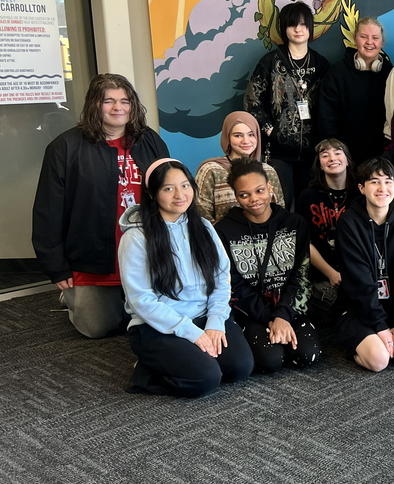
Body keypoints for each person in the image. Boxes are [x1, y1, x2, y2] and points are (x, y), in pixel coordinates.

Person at [33, 73, 169, 339]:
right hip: (92, 255)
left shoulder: (149, 140)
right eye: (109, 101)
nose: (118, 107)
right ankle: (71, 296)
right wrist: (56, 266)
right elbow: (48, 211)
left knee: (155, 319)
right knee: (97, 328)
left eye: (125, 101)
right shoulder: (64, 147)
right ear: (95, 105)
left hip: (144, 252)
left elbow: (170, 191)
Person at [118, 159, 253, 397]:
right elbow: (142, 300)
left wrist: (214, 322)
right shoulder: (136, 238)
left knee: (239, 368)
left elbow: (222, 279)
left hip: (203, 316)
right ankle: (147, 372)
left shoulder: (202, 226)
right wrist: (192, 333)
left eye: (185, 185)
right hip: (158, 327)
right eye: (168, 188)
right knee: (206, 379)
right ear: (152, 193)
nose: (180, 195)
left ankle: (185, 360)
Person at [216, 159, 320, 372]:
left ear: (270, 188)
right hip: (251, 311)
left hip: (290, 306)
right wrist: (270, 319)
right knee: (270, 361)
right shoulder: (224, 230)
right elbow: (233, 284)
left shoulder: (295, 223)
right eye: (244, 195)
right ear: (236, 197)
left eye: (260, 190)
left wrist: (283, 315)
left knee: (307, 356)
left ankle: (284, 327)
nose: (254, 199)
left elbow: (301, 276)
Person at [336, 157, 394, 371]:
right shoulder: (349, 222)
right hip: (359, 308)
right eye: (374, 182)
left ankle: (383, 337)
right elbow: (359, 283)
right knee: (379, 360)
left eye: (388, 181)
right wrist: (381, 327)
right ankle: (359, 347)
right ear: (361, 188)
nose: (382, 188)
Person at [244, 1, 330, 209]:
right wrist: (270, 130)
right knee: (278, 205)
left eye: (303, 24)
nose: (298, 29)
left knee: (309, 207)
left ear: (310, 28)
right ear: (284, 29)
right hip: (279, 151)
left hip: (313, 151)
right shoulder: (270, 62)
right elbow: (251, 101)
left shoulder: (322, 64)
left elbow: (330, 106)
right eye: (292, 25)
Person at [319, 16, 393, 167]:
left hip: (380, 159)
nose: (369, 42)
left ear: (382, 42)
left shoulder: (390, 73)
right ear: (354, 39)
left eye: (375, 38)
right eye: (364, 37)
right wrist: (336, 154)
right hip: (344, 159)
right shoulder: (337, 73)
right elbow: (326, 118)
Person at [295, 139, 353, 322]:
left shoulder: (361, 193)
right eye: (325, 155)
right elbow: (304, 242)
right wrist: (331, 274)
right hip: (323, 275)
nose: (332, 158)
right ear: (319, 164)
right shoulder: (308, 196)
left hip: (357, 271)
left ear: (348, 160)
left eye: (337, 152)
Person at [195, 111, 284, 222]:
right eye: (238, 135)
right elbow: (201, 216)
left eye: (251, 134)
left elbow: (280, 212)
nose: (245, 141)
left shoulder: (268, 171)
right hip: (222, 237)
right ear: (228, 137)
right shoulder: (211, 170)